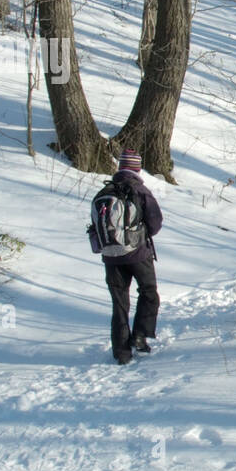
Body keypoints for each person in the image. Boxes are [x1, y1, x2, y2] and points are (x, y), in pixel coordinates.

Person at [103, 150, 162, 364]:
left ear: (119, 167)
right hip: (138, 253)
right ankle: (139, 336)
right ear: (137, 169)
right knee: (148, 293)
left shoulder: (105, 191)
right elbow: (155, 223)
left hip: (110, 256)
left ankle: (121, 352)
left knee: (119, 303)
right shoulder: (140, 190)